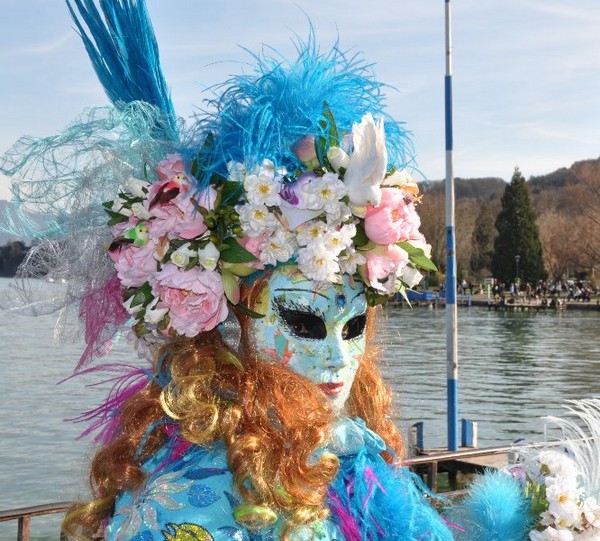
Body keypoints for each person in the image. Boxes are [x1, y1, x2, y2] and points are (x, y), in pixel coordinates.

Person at [7, 2, 597, 540]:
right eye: (304, 321)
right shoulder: (190, 499)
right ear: (230, 322)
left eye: (355, 325)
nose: (341, 360)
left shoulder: (348, 450)